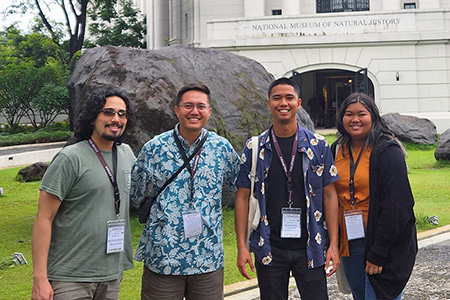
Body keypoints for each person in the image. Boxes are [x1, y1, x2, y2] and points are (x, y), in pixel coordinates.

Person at [130, 83, 240, 300]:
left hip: (207, 258)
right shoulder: (155, 147)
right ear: (177, 109)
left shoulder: (222, 148)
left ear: (209, 111)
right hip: (164, 257)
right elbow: (135, 192)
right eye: (188, 105)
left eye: (201, 106)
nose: (194, 112)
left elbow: (241, 186)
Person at [235, 77, 340, 300]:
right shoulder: (255, 147)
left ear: (299, 103)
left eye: (289, 98)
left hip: (310, 245)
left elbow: (330, 195)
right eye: (277, 98)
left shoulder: (318, 145)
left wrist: (334, 244)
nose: (283, 103)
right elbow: (243, 197)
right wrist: (242, 247)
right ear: (268, 103)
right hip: (270, 246)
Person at [31, 87, 136, 300]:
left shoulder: (126, 154)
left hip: (112, 273)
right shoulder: (70, 158)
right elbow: (44, 218)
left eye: (121, 114)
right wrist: (40, 278)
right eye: (108, 112)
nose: (116, 119)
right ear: (91, 118)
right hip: (71, 276)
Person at [332, 92, 417, 300]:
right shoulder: (336, 150)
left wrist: (378, 253)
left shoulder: (387, 151)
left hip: (383, 242)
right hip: (350, 242)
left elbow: (398, 207)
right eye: (349, 114)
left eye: (362, 114)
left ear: (373, 117)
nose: (355, 119)